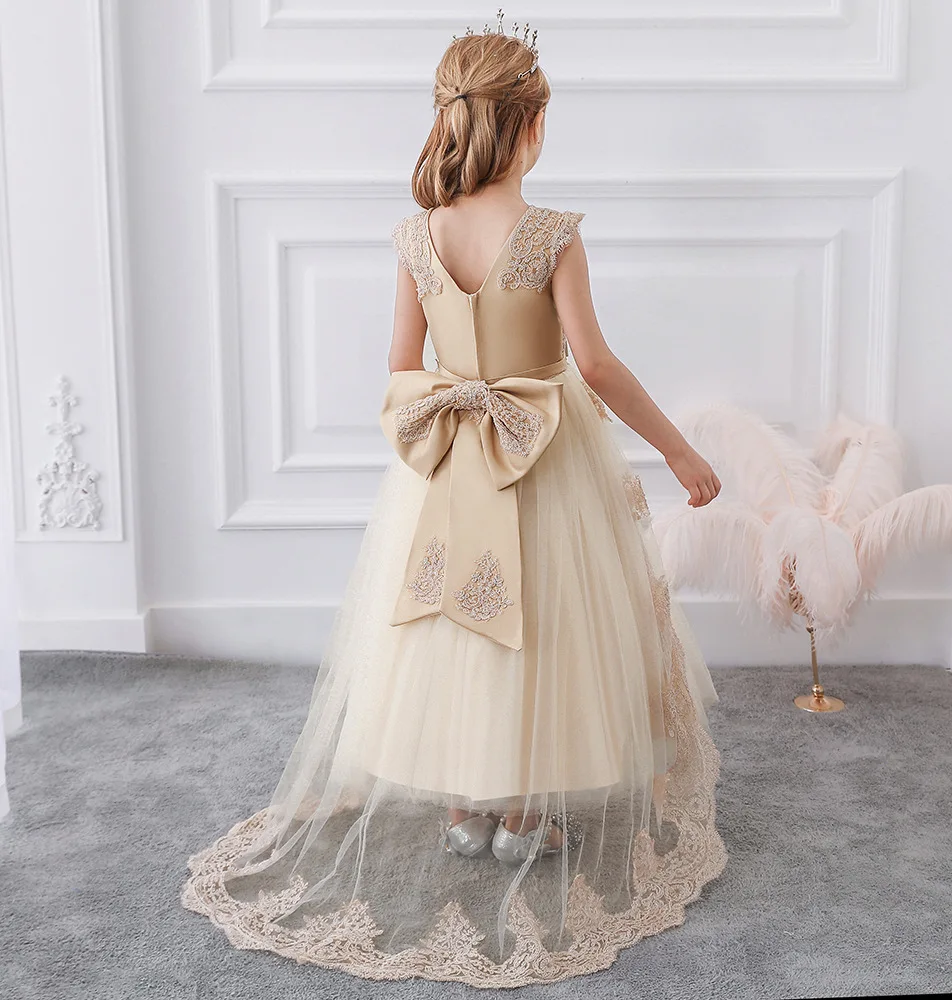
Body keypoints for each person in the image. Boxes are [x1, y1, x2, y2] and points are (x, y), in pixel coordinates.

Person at [181, 15, 727, 988]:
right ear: (532, 125)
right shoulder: (551, 234)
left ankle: (463, 808)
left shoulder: (417, 233)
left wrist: (451, 404)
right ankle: (520, 809)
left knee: (446, 614)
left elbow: (402, 364)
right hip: (541, 452)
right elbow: (595, 365)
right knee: (542, 619)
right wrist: (678, 450)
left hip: (446, 457)